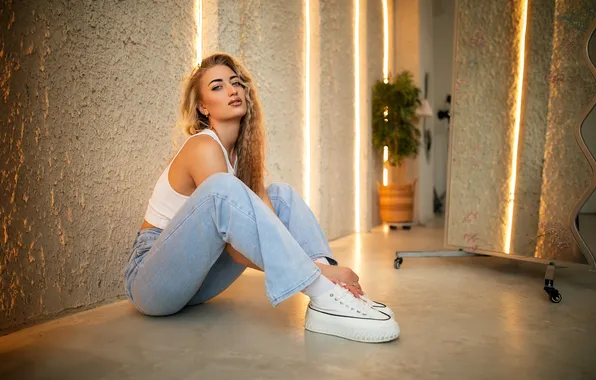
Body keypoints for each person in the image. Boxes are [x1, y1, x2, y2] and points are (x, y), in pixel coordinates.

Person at [122, 53, 399, 343]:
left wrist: (320, 265)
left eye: (236, 82)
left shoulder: (240, 155)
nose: (232, 90)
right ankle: (323, 286)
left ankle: (330, 298)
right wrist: (319, 272)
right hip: (151, 282)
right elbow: (238, 249)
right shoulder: (203, 147)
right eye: (217, 87)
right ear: (203, 107)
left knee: (281, 196)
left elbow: (270, 225)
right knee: (222, 189)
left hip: (195, 281)